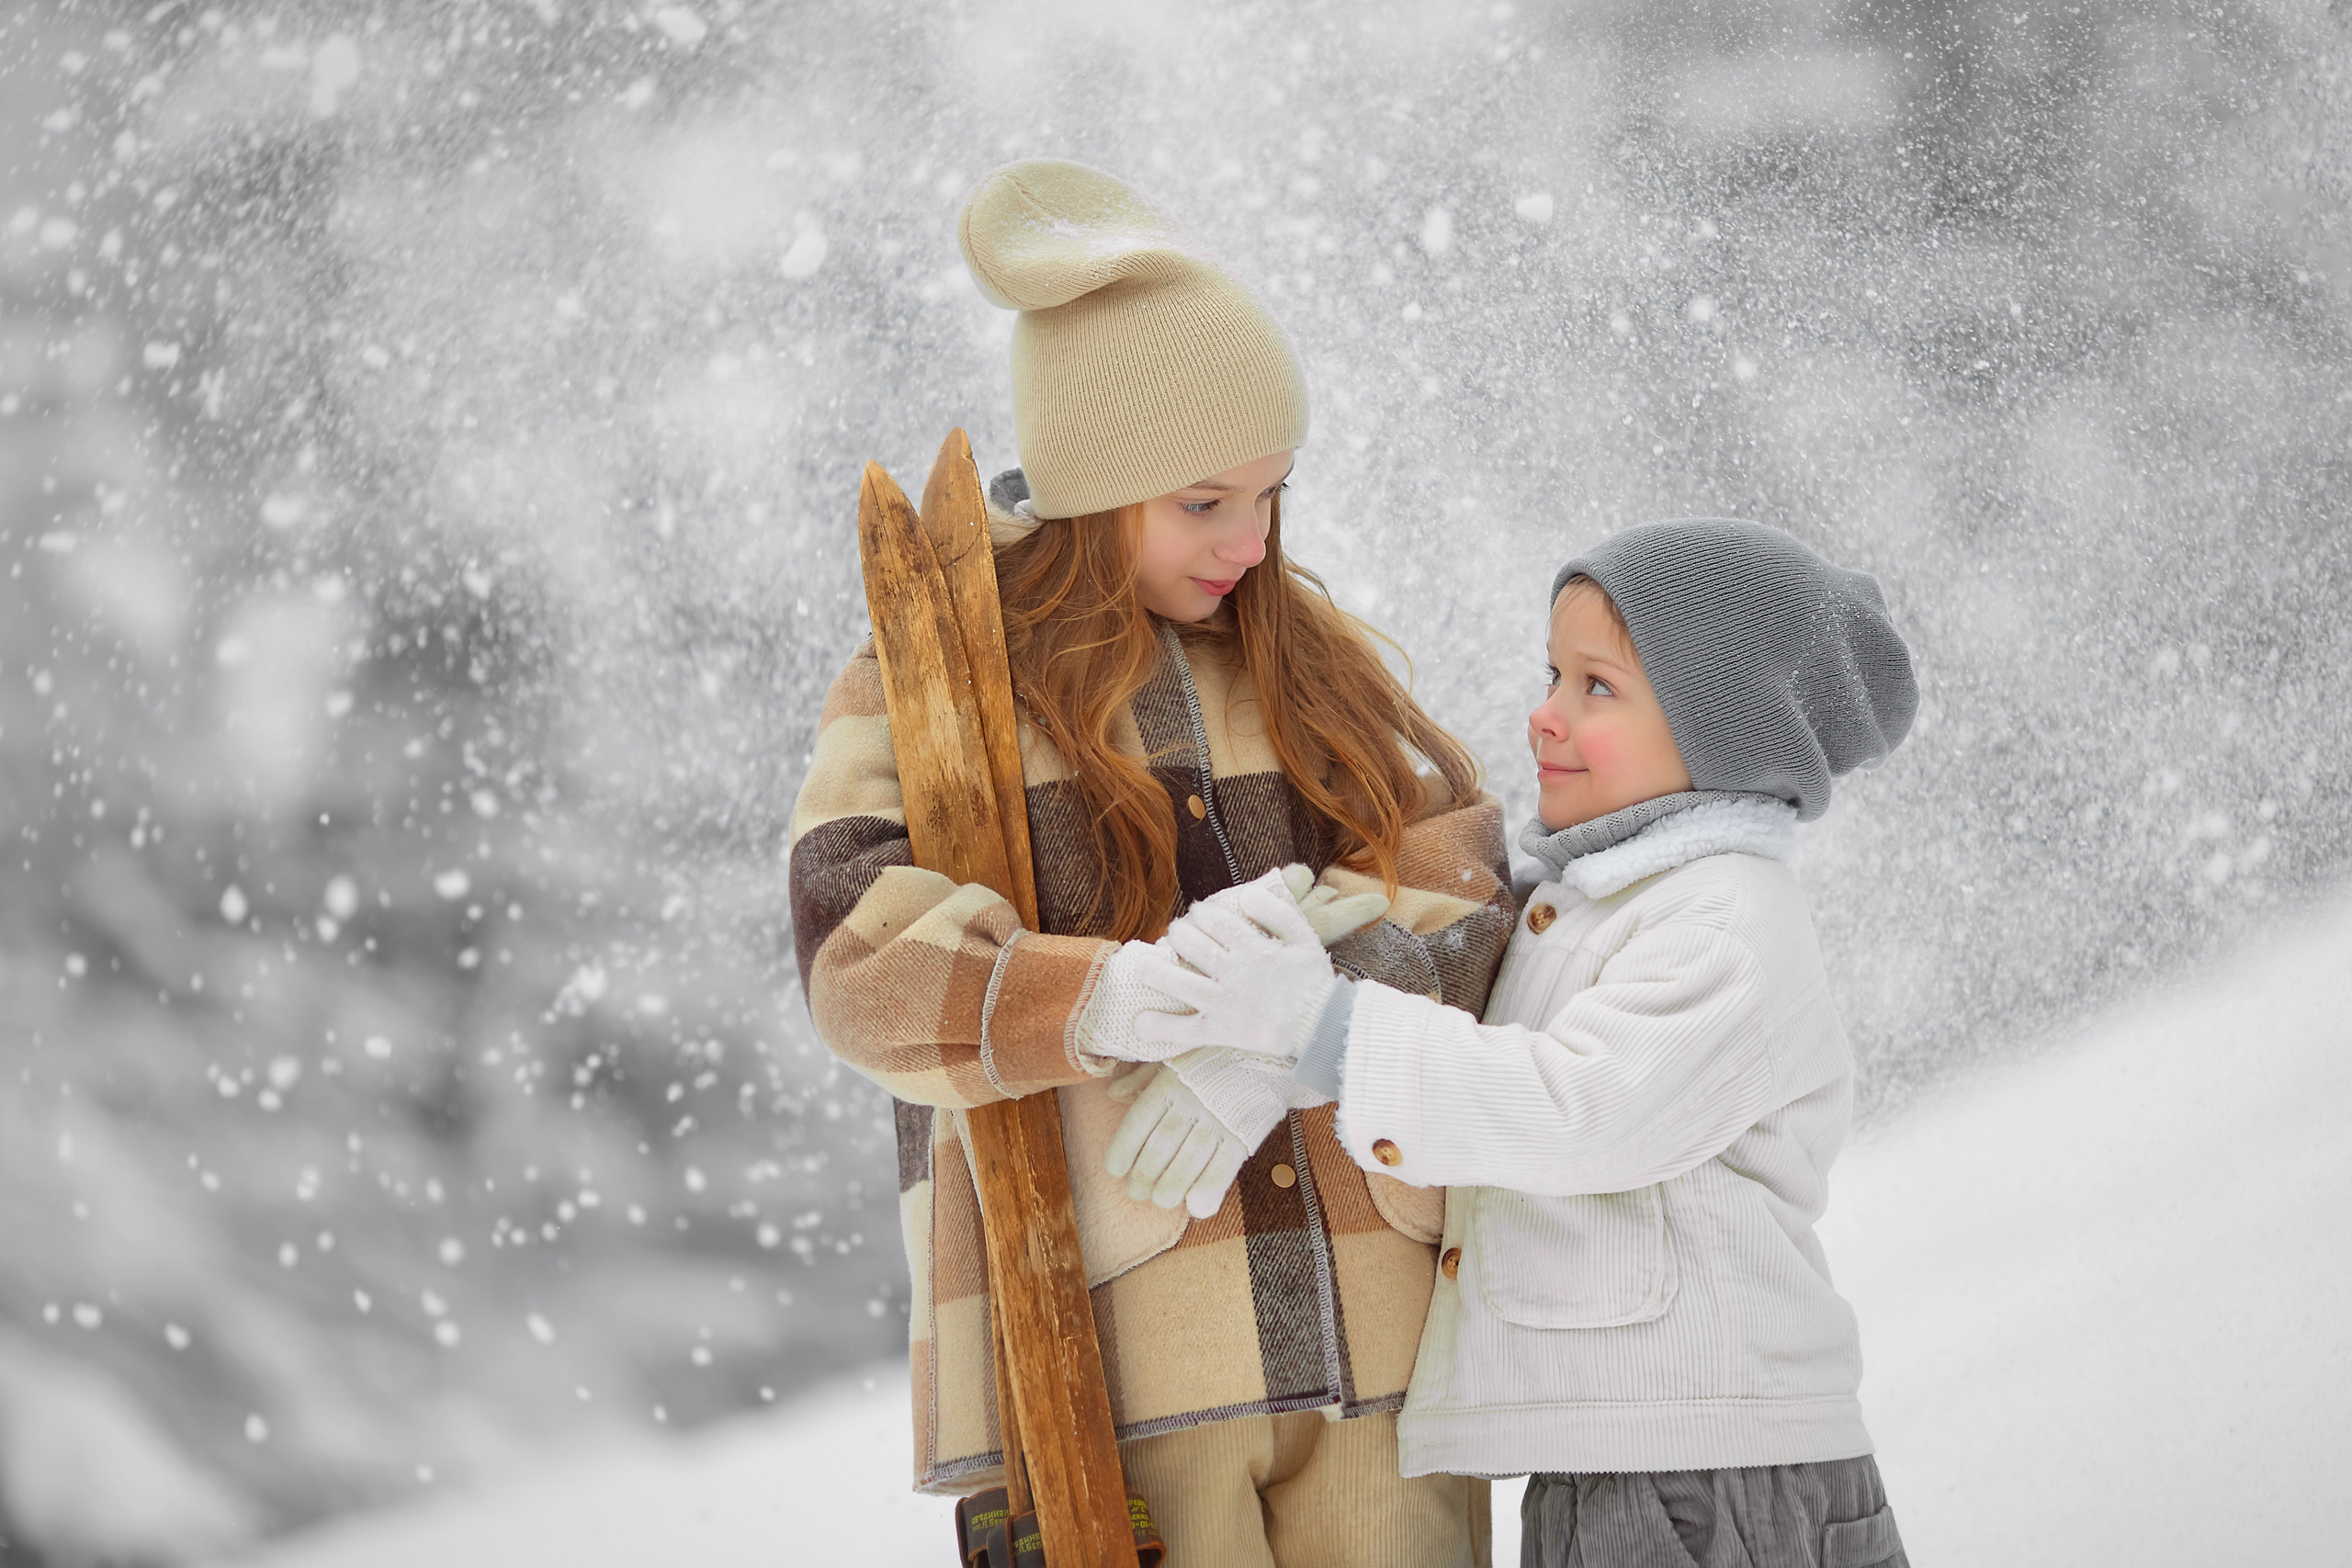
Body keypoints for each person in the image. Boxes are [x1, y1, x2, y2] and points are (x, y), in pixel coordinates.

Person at [786, 159, 1516, 1567]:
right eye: (1202, 502)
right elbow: (858, 967)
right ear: (1096, 485)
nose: (1250, 540)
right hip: (1118, 1375)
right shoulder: (932, 692)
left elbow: (1473, 893)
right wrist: (1107, 1000)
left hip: (1384, 1342)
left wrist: (1302, 1024)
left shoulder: (1316, 662)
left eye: (1272, 495)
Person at [1125, 519, 1918, 1567]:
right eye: (1553, 673)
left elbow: (1575, 1109)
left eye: (1597, 687)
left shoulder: (1724, 922)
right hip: (1628, 1457)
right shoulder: (1594, 902)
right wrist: (1272, 1044)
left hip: (1707, 1468)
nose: (1544, 713)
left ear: (1722, 730)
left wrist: (1324, 1033)